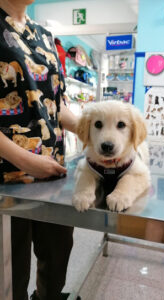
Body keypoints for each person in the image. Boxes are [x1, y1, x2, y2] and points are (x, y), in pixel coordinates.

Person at [0, 1, 79, 299]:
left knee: (57, 258)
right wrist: (27, 161)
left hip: (52, 176)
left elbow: (58, 107)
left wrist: (102, 127)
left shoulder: (44, 36)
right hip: (7, 181)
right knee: (10, 275)